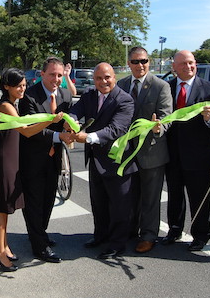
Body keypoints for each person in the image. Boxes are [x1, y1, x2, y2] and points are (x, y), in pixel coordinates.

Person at [0, 68, 63, 272]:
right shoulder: (5, 106)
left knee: (6, 208)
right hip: (3, 160)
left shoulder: (12, 104)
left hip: (11, 159)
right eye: (18, 86)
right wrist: (50, 119)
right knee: (1, 209)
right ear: (6, 86)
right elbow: (26, 131)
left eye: (24, 85)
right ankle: (0, 251)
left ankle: (4, 246)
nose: (23, 89)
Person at [67, 62, 136, 258]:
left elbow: (116, 129)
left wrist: (87, 137)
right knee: (98, 202)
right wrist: (71, 121)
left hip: (117, 161)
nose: (103, 81)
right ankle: (100, 236)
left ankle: (117, 244)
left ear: (114, 77)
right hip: (95, 160)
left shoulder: (125, 100)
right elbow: (76, 109)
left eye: (107, 77)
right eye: (98, 78)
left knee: (119, 205)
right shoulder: (89, 94)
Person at [164, 50, 210, 251]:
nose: (188, 67)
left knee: (200, 198)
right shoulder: (167, 88)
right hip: (172, 155)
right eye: (183, 64)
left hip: (199, 157)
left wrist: (209, 120)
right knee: (175, 196)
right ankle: (174, 230)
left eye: (191, 63)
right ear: (174, 67)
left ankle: (200, 235)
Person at [117, 47, 172, 253]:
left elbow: (166, 115)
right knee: (128, 195)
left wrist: (160, 127)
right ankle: (130, 230)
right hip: (126, 152)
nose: (140, 65)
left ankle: (148, 235)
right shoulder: (121, 85)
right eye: (135, 62)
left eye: (144, 61)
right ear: (128, 64)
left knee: (150, 197)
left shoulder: (161, 86)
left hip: (152, 152)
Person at [18, 56, 73, 263]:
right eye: (52, 75)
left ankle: (40, 233)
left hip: (54, 157)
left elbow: (67, 121)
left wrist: (71, 128)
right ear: (42, 74)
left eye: (60, 75)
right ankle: (39, 246)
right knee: (33, 201)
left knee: (49, 198)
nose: (57, 79)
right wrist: (60, 136)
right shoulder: (29, 97)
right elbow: (30, 131)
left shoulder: (66, 95)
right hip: (33, 157)